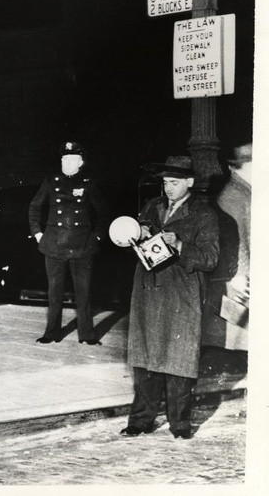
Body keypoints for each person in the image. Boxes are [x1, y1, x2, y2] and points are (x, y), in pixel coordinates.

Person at [121, 155, 219, 440]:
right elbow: (135, 243)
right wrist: (135, 236)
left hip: (181, 295)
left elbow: (210, 259)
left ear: (189, 182)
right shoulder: (152, 206)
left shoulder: (205, 214)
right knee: (146, 359)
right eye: (165, 183)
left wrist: (179, 244)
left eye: (174, 183)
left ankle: (180, 425)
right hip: (147, 291)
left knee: (179, 360)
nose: (168, 188)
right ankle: (141, 420)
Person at [28, 141, 108, 344]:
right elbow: (35, 208)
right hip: (54, 244)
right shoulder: (51, 181)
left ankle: (87, 335)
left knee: (84, 293)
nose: (67, 162)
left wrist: (97, 236)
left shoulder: (89, 182)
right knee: (54, 292)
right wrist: (38, 234)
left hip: (82, 245)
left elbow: (103, 212)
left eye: (72, 159)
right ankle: (51, 333)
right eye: (64, 159)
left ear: (81, 162)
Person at [202, 143, 251, 351]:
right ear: (238, 166)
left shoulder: (246, 190)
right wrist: (241, 274)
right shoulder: (233, 195)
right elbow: (236, 239)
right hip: (241, 276)